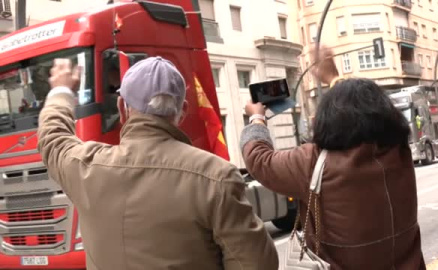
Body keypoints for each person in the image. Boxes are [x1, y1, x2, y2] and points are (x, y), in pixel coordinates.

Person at [38, 57, 278, 270]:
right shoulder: (216, 176)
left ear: (122, 108)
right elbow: (257, 264)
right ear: (181, 112)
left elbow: (53, 137)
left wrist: (61, 91)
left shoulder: (85, 166)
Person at [240, 48, 426, 269]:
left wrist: (257, 117)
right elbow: (362, 112)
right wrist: (334, 78)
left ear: (328, 119)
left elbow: (259, 158)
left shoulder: (313, 162)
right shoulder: (399, 154)